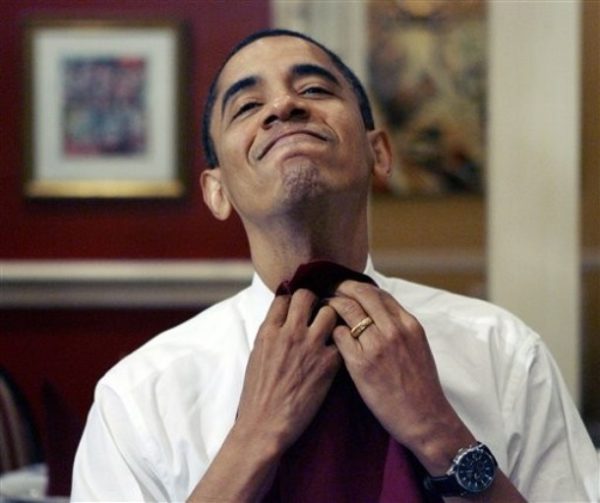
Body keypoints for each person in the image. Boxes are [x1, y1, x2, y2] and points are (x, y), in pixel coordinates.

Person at [71, 29, 599, 502]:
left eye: (315, 90)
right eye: (247, 105)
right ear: (217, 191)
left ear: (380, 153)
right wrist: (254, 439)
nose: (283, 106)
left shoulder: (504, 353)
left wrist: (439, 432)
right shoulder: (139, 397)